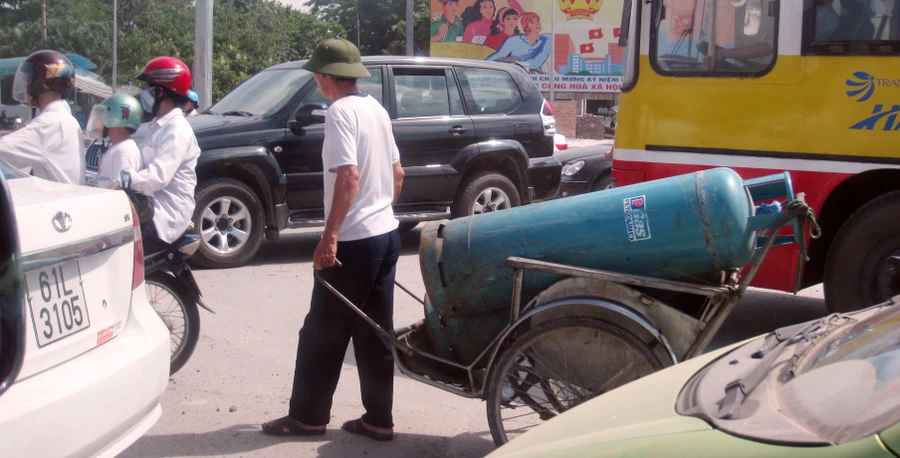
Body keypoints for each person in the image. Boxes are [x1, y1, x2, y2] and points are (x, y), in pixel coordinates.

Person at [262, 37, 404, 442]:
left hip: (355, 243)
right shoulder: (375, 109)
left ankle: (306, 417)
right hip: (386, 235)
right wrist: (379, 210)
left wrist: (331, 236)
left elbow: (348, 175)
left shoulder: (340, 112)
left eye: (317, 76)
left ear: (326, 77)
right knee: (374, 330)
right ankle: (379, 419)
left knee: (321, 332)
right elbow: (398, 174)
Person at [125, 56, 200, 254]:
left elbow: (158, 176)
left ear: (162, 92)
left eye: (148, 88)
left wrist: (124, 180)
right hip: (147, 209)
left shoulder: (177, 129)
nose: (143, 94)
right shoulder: (158, 126)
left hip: (164, 218)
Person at [0, 50, 85, 185]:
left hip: (56, 201)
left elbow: (4, 150)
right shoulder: (63, 119)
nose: (26, 84)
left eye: (29, 78)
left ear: (39, 82)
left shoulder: (50, 124)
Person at [87, 94, 144, 189]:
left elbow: (120, 187)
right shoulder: (116, 147)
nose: (98, 119)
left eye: (102, 114)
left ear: (115, 117)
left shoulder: (125, 151)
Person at [486, 12, 552, 73]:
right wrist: (484, 64)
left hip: (533, 73)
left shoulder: (546, 38)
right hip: (513, 72)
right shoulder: (513, 40)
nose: (537, 24)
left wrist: (516, 64)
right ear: (526, 27)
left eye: (538, 21)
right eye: (532, 22)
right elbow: (499, 55)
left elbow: (538, 61)